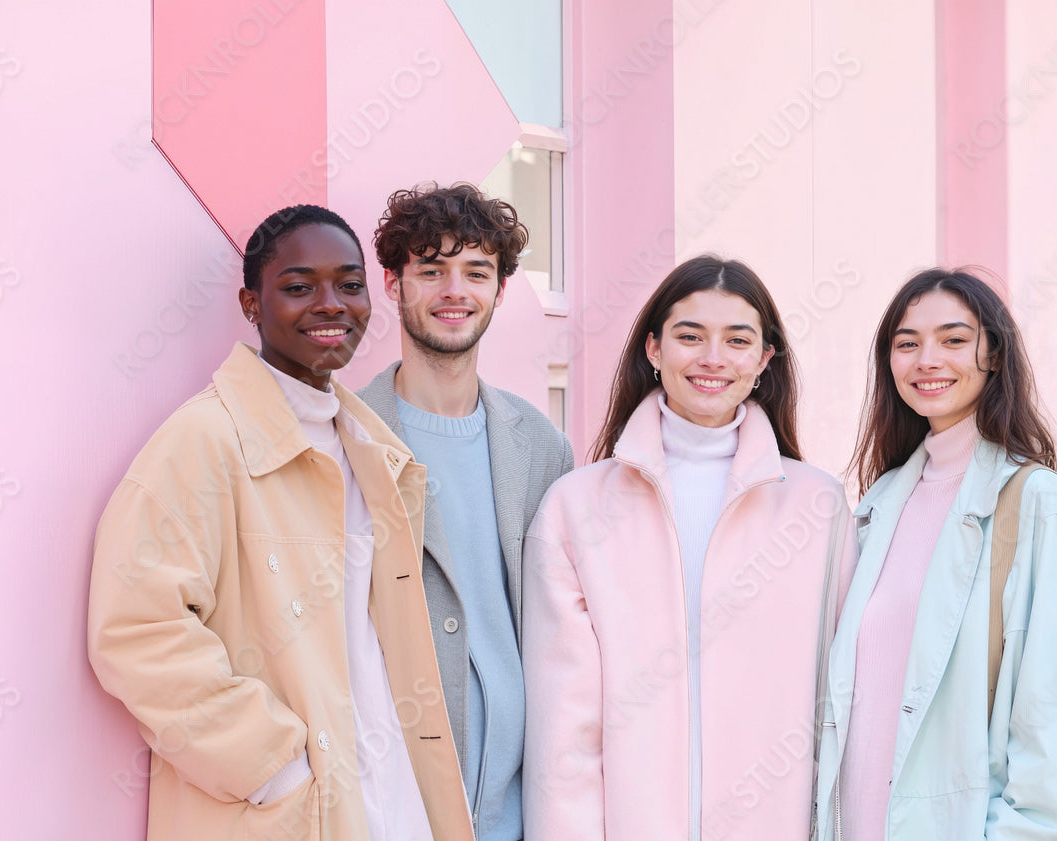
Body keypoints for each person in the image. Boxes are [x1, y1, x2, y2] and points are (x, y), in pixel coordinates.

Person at [87, 205, 473, 841]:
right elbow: (135, 628)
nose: (330, 305)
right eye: (298, 287)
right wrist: (278, 769)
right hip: (289, 810)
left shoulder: (370, 450)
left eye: (349, 284)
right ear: (251, 304)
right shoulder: (205, 441)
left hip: (391, 797)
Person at [521, 255, 855, 841]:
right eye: (690, 335)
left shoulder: (818, 507)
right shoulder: (576, 508)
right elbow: (563, 731)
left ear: (764, 359)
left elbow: (841, 705)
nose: (712, 358)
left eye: (737, 339)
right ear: (653, 350)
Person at [812, 268, 1057, 840]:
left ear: (994, 356)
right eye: (907, 343)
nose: (927, 359)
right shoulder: (878, 507)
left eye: (953, 340)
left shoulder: (1033, 502)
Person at [356, 182, 574, 841]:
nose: (455, 290)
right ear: (394, 284)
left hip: (518, 812)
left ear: (500, 291)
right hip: (390, 808)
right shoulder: (346, 438)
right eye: (431, 269)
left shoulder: (542, 447)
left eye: (476, 271)